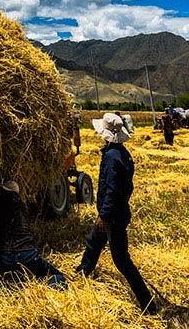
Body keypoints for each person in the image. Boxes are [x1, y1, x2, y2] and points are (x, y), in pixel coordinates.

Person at [76, 113, 158, 314]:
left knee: (121, 260)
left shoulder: (113, 157)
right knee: (94, 241)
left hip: (113, 215)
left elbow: (113, 189)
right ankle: (83, 272)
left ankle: (148, 304)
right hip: (116, 211)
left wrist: (104, 215)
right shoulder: (120, 153)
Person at [0, 180, 67, 289]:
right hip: (27, 255)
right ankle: (50, 290)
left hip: (6, 258)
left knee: (17, 278)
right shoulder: (22, 208)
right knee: (57, 275)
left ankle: (17, 281)